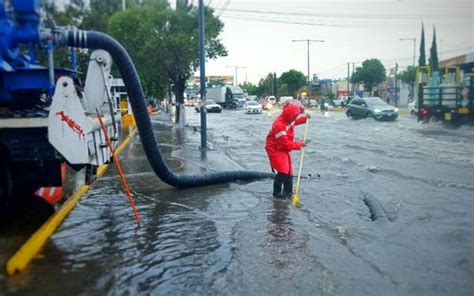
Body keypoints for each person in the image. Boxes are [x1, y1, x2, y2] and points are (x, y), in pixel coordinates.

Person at [265, 104, 310, 198]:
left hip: (283, 148)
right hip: (275, 148)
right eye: (294, 116)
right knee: (283, 171)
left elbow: (295, 122)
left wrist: (305, 119)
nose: (295, 118)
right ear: (289, 115)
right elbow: (284, 143)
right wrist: (300, 144)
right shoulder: (279, 125)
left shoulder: (289, 120)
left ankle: (288, 192)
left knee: (289, 172)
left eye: (296, 116)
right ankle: (276, 194)